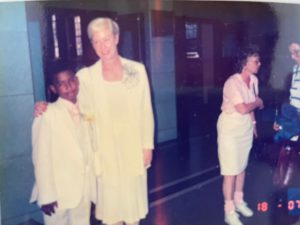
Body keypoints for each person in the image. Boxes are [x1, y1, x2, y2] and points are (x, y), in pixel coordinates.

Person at [34, 17, 154, 225]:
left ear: (116, 38)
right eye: (96, 41)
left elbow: (146, 111)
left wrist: (147, 147)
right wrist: (43, 105)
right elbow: (71, 105)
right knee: (111, 213)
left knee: (132, 212)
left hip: (132, 149)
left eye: (106, 39)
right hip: (103, 152)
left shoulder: (136, 70)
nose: (102, 46)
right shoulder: (86, 76)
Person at [30, 66, 96, 225]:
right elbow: (41, 158)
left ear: (77, 81)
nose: (68, 86)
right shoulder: (47, 114)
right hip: (57, 194)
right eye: (61, 84)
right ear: (53, 89)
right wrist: (46, 195)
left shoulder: (88, 110)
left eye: (71, 80)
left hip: (83, 190)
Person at [217, 45, 264, 225]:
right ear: (245, 63)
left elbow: (249, 108)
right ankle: (228, 212)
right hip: (230, 128)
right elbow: (243, 107)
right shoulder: (232, 82)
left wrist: (253, 124)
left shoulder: (254, 80)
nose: (259, 64)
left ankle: (239, 201)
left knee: (241, 167)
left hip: (245, 128)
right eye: (255, 61)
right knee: (230, 171)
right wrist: (258, 102)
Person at [273, 42, 300, 141]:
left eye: (296, 52)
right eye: (291, 54)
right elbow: (293, 98)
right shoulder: (296, 69)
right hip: (294, 116)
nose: (293, 57)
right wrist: (282, 123)